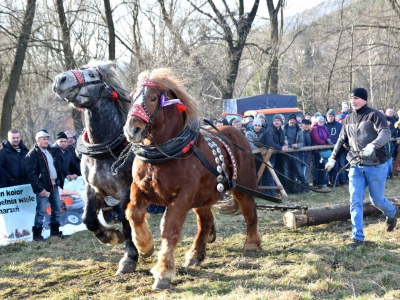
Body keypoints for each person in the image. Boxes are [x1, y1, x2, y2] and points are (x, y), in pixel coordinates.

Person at [325, 87, 398, 248]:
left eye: (356, 98)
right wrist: (332, 158)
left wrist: (373, 145)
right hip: (356, 165)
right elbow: (340, 140)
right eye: (351, 98)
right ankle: (357, 237)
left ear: (364, 99)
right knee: (355, 200)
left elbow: (385, 133)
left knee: (376, 199)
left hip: (376, 164)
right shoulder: (348, 119)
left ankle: (392, 213)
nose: (353, 101)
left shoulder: (374, 115)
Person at [25, 130, 77, 241]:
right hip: (43, 187)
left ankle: (55, 233)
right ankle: (37, 236)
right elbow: (32, 175)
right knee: (41, 211)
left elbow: (60, 166)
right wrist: (40, 189)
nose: (46, 141)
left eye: (47, 139)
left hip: (54, 185)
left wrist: (68, 174)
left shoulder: (51, 151)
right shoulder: (32, 154)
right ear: (37, 140)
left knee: (57, 209)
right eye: (44, 139)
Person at [261, 114, 288, 196]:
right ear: (273, 122)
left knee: (274, 171)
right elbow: (270, 143)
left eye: (278, 120)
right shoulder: (270, 130)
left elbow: (281, 141)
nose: (276, 122)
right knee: (269, 172)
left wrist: (283, 145)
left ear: (281, 122)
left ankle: (274, 190)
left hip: (274, 153)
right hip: (265, 153)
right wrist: (281, 148)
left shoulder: (281, 131)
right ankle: (271, 192)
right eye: (275, 120)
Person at [282, 114, 308, 193]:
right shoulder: (284, 128)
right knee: (286, 174)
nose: (292, 121)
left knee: (299, 172)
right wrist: (283, 145)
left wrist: (297, 145)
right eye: (291, 119)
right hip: (285, 154)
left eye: (294, 119)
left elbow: (301, 142)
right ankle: (288, 190)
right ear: (288, 120)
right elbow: (280, 139)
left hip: (295, 152)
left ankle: (304, 188)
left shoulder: (299, 130)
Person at [310, 115, 332, 189]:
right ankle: (321, 183)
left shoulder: (324, 128)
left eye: (322, 121)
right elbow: (316, 139)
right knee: (321, 167)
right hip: (317, 151)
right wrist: (326, 143)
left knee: (325, 166)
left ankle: (325, 182)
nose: (321, 123)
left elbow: (329, 136)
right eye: (320, 121)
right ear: (317, 122)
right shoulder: (314, 129)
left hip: (325, 150)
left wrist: (329, 140)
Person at [325, 109, 345, 186]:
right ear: (327, 117)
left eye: (332, 116)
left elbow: (341, 136)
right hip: (326, 148)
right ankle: (329, 181)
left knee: (337, 165)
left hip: (337, 148)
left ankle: (337, 181)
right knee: (328, 165)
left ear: (334, 117)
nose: (330, 118)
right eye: (329, 116)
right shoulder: (324, 125)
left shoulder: (339, 125)